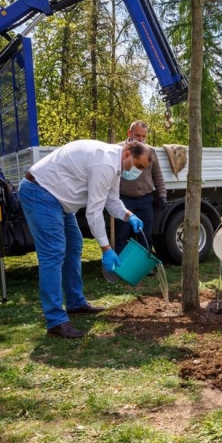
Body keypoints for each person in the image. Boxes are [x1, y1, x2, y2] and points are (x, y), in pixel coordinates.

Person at [19, 140, 150, 338]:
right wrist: (106, 249)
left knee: (74, 246)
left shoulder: (115, 166)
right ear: (127, 154)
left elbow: (112, 201)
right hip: (41, 193)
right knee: (53, 254)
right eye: (139, 165)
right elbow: (94, 212)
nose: (139, 171)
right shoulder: (105, 163)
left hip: (58, 200)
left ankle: (75, 303)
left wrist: (128, 215)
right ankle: (55, 320)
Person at [114, 120, 168, 254]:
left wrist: (162, 194)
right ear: (129, 133)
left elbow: (157, 174)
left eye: (144, 136)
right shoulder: (119, 150)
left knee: (145, 234)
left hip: (145, 199)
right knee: (122, 234)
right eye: (138, 135)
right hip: (124, 199)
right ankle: (120, 265)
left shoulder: (150, 151)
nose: (141, 139)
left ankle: (144, 264)